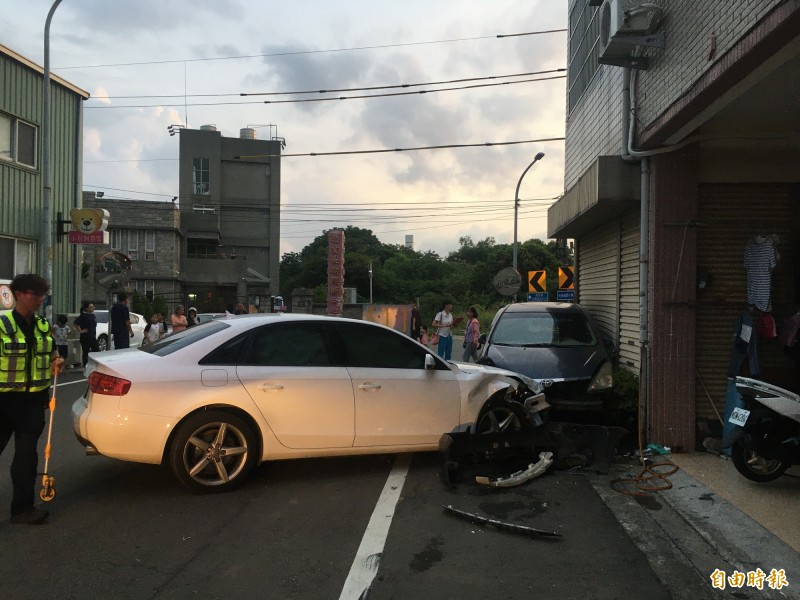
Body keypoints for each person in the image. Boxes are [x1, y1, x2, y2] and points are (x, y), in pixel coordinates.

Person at [0, 274, 64, 524]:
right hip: (3, 403)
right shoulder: (2, 325)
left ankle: (22, 509)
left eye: (42, 294)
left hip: (33, 403)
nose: (39, 299)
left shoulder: (43, 325)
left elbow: (52, 352)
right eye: (34, 294)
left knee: (27, 458)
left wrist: (57, 360)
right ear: (19, 295)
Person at [74, 302, 99, 367]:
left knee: (96, 349)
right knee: (86, 351)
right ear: (87, 308)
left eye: (93, 306)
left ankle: (94, 364)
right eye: (91, 307)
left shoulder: (93, 316)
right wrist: (81, 331)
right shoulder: (83, 316)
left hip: (92, 336)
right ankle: (85, 365)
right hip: (85, 336)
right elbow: (76, 323)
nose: (93, 308)